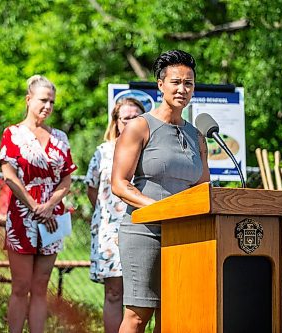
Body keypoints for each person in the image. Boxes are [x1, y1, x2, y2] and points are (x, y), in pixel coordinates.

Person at [111, 50, 210, 332]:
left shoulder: (197, 135)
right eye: (176, 82)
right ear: (160, 84)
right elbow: (119, 184)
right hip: (144, 231)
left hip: (185, 234)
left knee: (173, 314)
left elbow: (203, 188)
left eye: (189, 83)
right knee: (138, 315)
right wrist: (160, 209)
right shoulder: (139, 127)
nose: (182, 89)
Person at [0, 75, 77, 333]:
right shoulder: (13, 134)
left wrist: (50, 204)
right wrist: (34, 205)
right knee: (21, 287)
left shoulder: (60, 137)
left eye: (52, 102)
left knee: (41, 287)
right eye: (43, 100)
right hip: (22, 215)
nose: (48, 106)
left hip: (53, 217)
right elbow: (9, 176)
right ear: (28, 99)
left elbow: (67, 178)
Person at [84, 98, 144, 333]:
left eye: (135, 117)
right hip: (109, 231)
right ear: (116, 122)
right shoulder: (104, 151)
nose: (130, 122)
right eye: (125, 118)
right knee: (114, 292)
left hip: (142, 226)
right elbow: (92, 188)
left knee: (141, 295)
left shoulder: (150, 148)